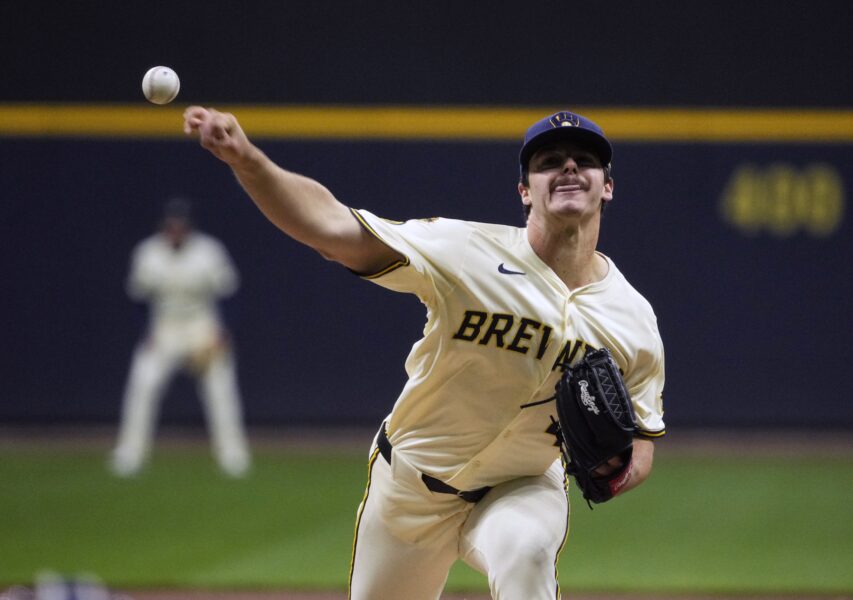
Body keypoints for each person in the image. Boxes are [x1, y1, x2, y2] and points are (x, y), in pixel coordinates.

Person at [183, 106, 666, 598]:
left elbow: (643, 439)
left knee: (527, 554)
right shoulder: (468, 252)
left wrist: (615, 474)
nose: (569, 167)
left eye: (585, 160)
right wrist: (247, 159)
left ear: (607, 185)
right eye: (549, 161)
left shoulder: (632, 317)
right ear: (525, 191)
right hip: (410, 486)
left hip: (522, 486)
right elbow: (331, 229)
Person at [110, 197, 251, 478]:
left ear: (188, 226)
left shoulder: (208, 251)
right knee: (143, 385)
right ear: (164, 225)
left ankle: (232, 454)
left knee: (221, 391)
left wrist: (222, 332)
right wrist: (145, 332)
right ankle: (130, 453)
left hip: (202, 326)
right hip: (164, 327)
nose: (175, 229)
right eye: (171, 225)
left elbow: (230, 295)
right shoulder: (148, 252)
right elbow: (137, 299)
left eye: (180, 225)